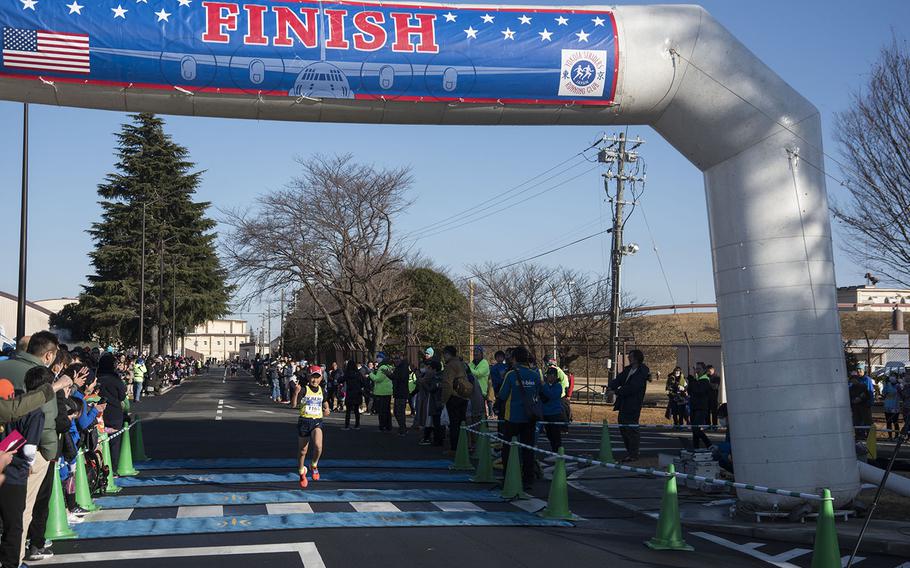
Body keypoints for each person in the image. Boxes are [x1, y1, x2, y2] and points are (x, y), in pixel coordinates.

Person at [0, 368, 46, 568]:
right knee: (13, 524)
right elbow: (28, 449)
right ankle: (10, 564)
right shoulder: (33, 412)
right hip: (14, 474)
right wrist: (28, 465)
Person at [496, 346, 543, 490]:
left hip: (513, 417)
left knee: (508, 449)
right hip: (530, 417)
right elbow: (541, 392)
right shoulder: (535, 375)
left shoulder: (511, 375)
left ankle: (507, 477)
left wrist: (497, 406)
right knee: (527, 449)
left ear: (514, 358)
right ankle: (528, 478)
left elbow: (502, 395)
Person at [607, 349, 649, 462]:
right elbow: (619, 380)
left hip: (633, 404)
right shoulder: (628, 370)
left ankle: (633, 454)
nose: (629, 358)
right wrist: (611, 386)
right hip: (624, 403)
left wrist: (616, 392)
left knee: (631, 429)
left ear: (636, 358)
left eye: (630, 357)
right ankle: (630, 452)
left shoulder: (641, 373)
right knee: (623, 427)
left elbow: (632, 388)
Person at [297, 366, 330, 489]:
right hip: (304, 421)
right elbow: (294, 404)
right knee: (302, 451)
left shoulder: (322, 390)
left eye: (317, 377)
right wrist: (296, 393)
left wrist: (327, 409)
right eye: (312, 377)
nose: (315, 380)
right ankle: (301, 472)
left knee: (318, 446)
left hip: (317, 421)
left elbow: (325, 403)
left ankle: (314, 465)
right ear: (308, 377)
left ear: (321, 378)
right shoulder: (304, 389)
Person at [96, 353, 128, 467]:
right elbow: (122, 396)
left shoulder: (96, 378)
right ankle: (112, 468)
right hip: (114, 414)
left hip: (98, 414)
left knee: (99, 443)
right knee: (114, 443)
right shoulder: (115, 379)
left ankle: (99, 468)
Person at [440, 346, 470, 454]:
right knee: (462, 423)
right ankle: (464, 446)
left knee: (454, 424)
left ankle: (454, 448)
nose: (444, 357)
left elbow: (447, 384)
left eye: (444, 354)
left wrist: (444, 400)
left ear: (448, 354)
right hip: (464, 395)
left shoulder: (450, 365)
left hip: (454, 397)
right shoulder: (461, 363)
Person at [417, 360, 445, 446]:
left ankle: (437, 440)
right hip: (439, 401)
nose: (428, 370)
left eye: (430, 368)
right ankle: (437, 438)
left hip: (435, 401)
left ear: (434, 369)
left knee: (436, 422)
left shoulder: (435, 377)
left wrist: (423, 382)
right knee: (438, 421)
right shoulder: (441, 375)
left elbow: (431, 388)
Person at [687, 362, 713, 449]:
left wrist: (693, 380)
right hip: (694, 407)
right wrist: (691, 381)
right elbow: (690, 391)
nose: (697, 371)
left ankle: (709, 445)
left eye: (699, 369)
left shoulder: (705, 380)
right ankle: (696, 448)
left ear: (704, 370)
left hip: (701, 408)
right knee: (694, 431)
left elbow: (699, 391)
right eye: (696, 369)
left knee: (697, 429)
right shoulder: (697, 380)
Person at [541, 367, 565, 452]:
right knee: (549, 434)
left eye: (551, 375)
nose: (549, 377)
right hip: (546, 413)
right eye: (548, 375)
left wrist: (544, 385)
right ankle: (554, 451)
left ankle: (558, 452)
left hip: (554, 413)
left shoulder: (558, 386)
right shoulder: (546, 385)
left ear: (555, 376)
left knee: (556, 435)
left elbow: (551, 395)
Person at [370, 354, 394, 431]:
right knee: (387, 410)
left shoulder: (382, 368)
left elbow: (377, 379)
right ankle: (388, 425)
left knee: (382, 411)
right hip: (387, 391)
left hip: (381, 391)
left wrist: (370, 374)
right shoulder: (389, 367)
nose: (377, 359)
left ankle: (382, 425)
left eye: (378, 358)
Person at [391, 354, 412, 436]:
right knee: (397, 412)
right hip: (398, 392)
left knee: (399, 412)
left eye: (397, 359)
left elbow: (399, 378)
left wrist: (391, 375)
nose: (395, 361)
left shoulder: (403, 368)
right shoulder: (399, 368)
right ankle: (402, 428)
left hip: (401, 392)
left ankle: (403, 429)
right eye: (395, 359)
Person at [849, 370, 872, 440]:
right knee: (856, 421)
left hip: (863, 406)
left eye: (854, 379)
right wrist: (853, 401)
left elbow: (868, 395)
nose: (852, 381)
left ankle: (869, 435)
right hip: (855, 407)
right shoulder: (851, 388)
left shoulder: (863, 386)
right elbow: (849, 398)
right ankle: (858, 435)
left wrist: (861, 398)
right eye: (851, 380)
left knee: (866, 421)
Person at [342, 361, 364, 430]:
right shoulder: (358, 374)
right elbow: (363, 382)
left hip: (350, 392)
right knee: (356, 410)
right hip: (357, 393)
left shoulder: (347, 374)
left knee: (348, 410)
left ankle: (347, 425)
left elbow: (341, 379)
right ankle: (357, 425)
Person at [883, 372, 901, 440]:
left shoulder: (899, 385)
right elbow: (884, 393)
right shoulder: (887, 384)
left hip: (895, 406)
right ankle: (890, 436)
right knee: (888, 422)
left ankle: (896, 436)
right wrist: (886, 384)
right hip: (887, 406)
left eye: (894, 376)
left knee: (895, 422)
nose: (892, 377)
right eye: (891, 376)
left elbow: (901, 394)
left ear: (896, 378)